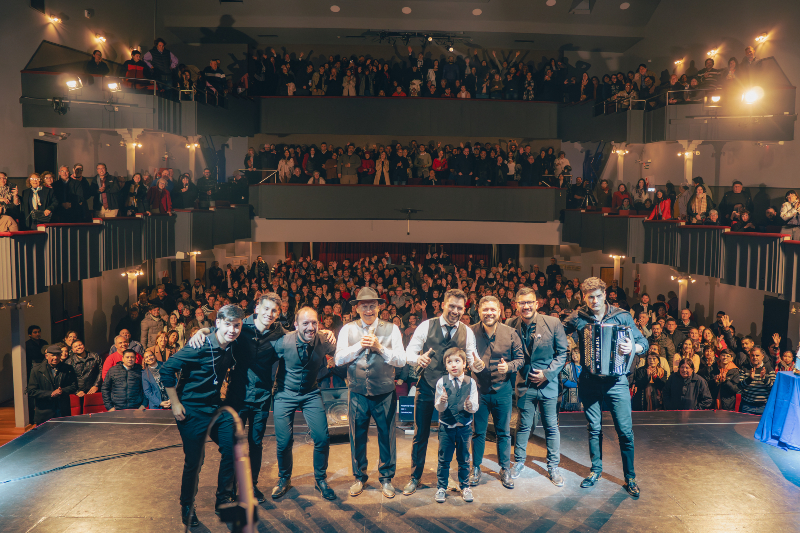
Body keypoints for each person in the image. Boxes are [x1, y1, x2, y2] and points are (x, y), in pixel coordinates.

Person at [160, 305, 246, 527]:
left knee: (233, 448)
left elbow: (260, 321)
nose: (233, 330)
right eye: (228, 325)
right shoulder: (198, 346)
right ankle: (187, 505)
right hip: (191, 409)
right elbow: (167, 369)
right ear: (218, 323)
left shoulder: (231, 344)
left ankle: (223, 500)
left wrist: (204, 328)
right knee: (195, 461)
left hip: (215, 407)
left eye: (237, 325)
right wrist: (175, 403)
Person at [563, 277, 647, 498]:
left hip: (616, 382)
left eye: (598, 296)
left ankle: (630, 477)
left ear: (605, 294)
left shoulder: (622, 316)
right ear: (584, 297)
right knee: (594, 428)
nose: (594, 301)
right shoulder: (578, 316)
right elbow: (558, 332)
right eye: (590, 297)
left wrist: (633, 347)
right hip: (589, 381)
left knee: (625, 431)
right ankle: (596, 471)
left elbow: (644, 343)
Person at [402, 288, 485, 496]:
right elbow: (409, 353)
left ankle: (446, 477)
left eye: (460, 308)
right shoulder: (426, 326)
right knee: (420, 434)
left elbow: (472, 360)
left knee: (448, 435)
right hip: (427, 387)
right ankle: (415, 477)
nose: (455, 311)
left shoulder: (467, 331)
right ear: (443, 305)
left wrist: (478, 365)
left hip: (454, 392)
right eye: (452, 306)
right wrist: (418, 359)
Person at [335, 288, 406, 498]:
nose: (368, 310)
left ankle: (386, 478)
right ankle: (359, 477)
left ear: (379, 307)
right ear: (357, 308)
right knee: (357, 436)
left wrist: (380, 348)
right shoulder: (347, 329)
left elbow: (401, 360)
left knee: (387, 436)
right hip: (357, 392)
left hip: (384, 392)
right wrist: (359, 346)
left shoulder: (392, 329)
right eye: (364, 306)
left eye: (372, 306)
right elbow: (338, 359)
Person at [270, 307, 337, 501]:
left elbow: (343, 349)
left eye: (314, 323)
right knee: (284, 442)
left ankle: (320, 479)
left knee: (322, 438)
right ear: (296, 325)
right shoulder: (283, 342)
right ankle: (284, 478)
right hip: (284, 394)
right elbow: (263, 359)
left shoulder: (324, 339)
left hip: (310, 393)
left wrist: (334, 335)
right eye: (305, 323)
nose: (311, 327)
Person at [506, 287, 568, 486]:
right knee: (523, 425)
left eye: (529, 302)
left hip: (548, 384)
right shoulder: (509, 324)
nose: (526, 306)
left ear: (536, 303)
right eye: (522, 303)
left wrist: (547, 374)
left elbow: (562, 354)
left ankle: (553, 466)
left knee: (551, 426)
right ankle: (519, 462)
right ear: (516, 305)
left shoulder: (553, 323)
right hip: (525, 385)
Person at [469, 295, 524, 489]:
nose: (489, 313)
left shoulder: (511, 333)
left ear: (499, 311)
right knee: (478, 432)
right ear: (479, 311)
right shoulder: (470, 332)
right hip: (479, 391)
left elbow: (520, 359)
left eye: (493, 309)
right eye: (485, 309)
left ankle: (505, 468)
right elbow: (462, 356)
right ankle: (476, 467)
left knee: (504, 433)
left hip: (503, 391)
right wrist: (470, 364)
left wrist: (509, 367)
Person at [432, 347, 479, 504]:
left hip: (464, 427)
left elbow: (475, 406)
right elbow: (438, 407)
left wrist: (470, 406)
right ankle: (441, 487)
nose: (453, 365)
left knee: (464, 458)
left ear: (464, 364)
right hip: (446, 427)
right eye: (449, 362)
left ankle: (465, 486)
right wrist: (442, 402)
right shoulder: (442, 382)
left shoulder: (471, 382)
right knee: (444, 459)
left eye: (457, 361)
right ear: (445, 365)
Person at [26, 345, 78, 425]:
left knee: (63, 431)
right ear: (46, 356)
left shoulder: (68, 368)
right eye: (53, 355)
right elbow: (31, 391)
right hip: (44, 411)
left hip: (62, 410)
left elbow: (74, 386)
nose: (56, 357)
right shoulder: (36, 370)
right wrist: (50, 393)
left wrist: (62, 391)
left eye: (58, 355)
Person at [738, 347, 775, 415]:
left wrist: (764, 379)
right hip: (747, 406)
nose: (755, 357)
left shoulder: (769, 369)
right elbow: (739, 386)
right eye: (752, 355)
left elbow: (774, 387)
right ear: (750, 356)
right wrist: (749, 379)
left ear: (762, 356)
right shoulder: (744, 368)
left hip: (763, 406)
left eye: (757, 355)